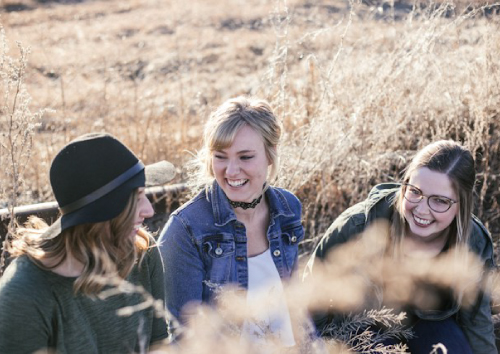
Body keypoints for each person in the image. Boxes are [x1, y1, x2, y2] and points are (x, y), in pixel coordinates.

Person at [303, 140, 497, 354]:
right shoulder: (358, 225)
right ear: (404, 184)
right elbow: (312, 294)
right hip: (362, 326)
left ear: (462, 204)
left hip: (430, 325)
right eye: (414, 191)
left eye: (440, 201)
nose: (422, 210)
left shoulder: (474, 242)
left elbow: (477, 321)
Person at [0, 133, 176, 353]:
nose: (149, 210)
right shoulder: (25, 295)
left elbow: (158, 344)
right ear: (104, 211)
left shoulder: (141, 250)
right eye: (137, 197)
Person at [158, 96, 304, 346]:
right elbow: (186, 339)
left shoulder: (288, 208)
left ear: (270, 155)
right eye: (221, 156)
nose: (231, 171)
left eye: (245, 157)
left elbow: (294, 304)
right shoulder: (185, 230)